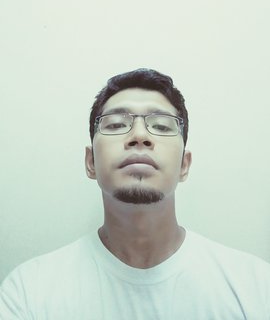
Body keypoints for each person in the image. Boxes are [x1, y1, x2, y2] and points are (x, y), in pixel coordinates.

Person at [0, 68, 270, 320]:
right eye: (116, 124)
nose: (139, 135)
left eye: (162, 126)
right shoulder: (29, 293)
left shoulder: (255, 287)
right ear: (91, 162)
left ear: (184, 165)